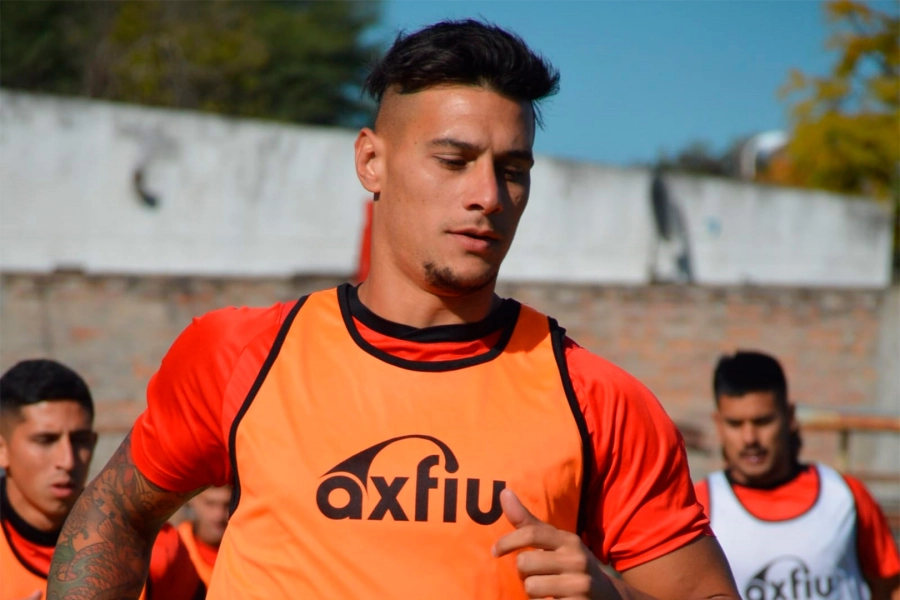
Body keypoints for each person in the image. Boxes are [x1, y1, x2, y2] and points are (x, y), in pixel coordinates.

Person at [48, 20, 739, 600]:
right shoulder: (240, 355)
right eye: (453, 161)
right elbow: (114, 513)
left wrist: (615, 597)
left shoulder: (599, 401)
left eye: (513, 169)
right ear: (371, 162)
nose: (488, 196)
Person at [695, 350, 900, 600]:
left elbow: (891, 587)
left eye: (762, 422)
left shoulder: (844, 496)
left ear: (790, 416)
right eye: (735, 424)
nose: (749, 439)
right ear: (718, 423)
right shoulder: (698, 507)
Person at [0, 359, 203, 600]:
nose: (67, 461)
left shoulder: (153, 546)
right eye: (46, 440)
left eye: (80, 440)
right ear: (2, 448)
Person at [176, 485, 231, 588]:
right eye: (210, 503)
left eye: (227, 505)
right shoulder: (174, 548)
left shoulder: (246, 551)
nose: (219, 515)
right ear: (192, 500)